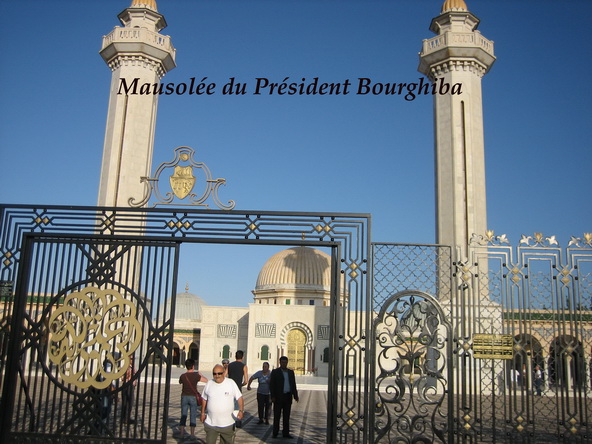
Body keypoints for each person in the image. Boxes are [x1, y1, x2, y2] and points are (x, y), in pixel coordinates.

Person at [200, 364, 244, 444]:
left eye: (219, 373)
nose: (217, 376)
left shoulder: (231, 383)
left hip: (227, 424)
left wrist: (241, 411)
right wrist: (202, 413)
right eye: (214, 374)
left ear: (224, 373)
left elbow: (239, 398)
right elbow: (204, 399)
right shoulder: (209, 383)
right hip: (211, 423)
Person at [270, 356, 299, 439]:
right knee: (277, 416)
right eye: (282, 362)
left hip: (287, 397)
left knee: (286, 416)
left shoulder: (290, 372)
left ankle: (286, 432)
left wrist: (295, 395)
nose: (284, 364)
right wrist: (273, 396)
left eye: (285, 362)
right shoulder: (275, 372)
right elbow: (272, 385)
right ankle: (275, 432)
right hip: (278, 397)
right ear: (280, 363)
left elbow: (293, 384)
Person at [179, 358, 208, 438]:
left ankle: (181, 433)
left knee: (183, 414)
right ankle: (192, 434)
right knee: (193, 414)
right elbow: (206, 380)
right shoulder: (196, 376)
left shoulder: (183, 376)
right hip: (193, 397)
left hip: (184, 396)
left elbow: (180, 382)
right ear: (193, 366)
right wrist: (200, 375)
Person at [227, 351, 248, 427]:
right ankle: (238, 421)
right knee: (238, 406)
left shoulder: (230, 365)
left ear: (235, 356)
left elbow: (224, 375)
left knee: (230, 405)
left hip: (230, 388)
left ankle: (229, 421)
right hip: (238, 388)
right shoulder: (244, 366)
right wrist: (241, 384)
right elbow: (246, 381)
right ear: (242, 357)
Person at [120, 356, 136, 424]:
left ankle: (125, 418)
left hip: (130, 385)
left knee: (127, 402)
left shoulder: (132, 366)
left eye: (133, 359)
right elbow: (123, 377)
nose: (132, 360)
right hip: (127, 385)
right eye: (131, 359)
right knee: (129, 402)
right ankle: (126, 418)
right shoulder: (127, 367)